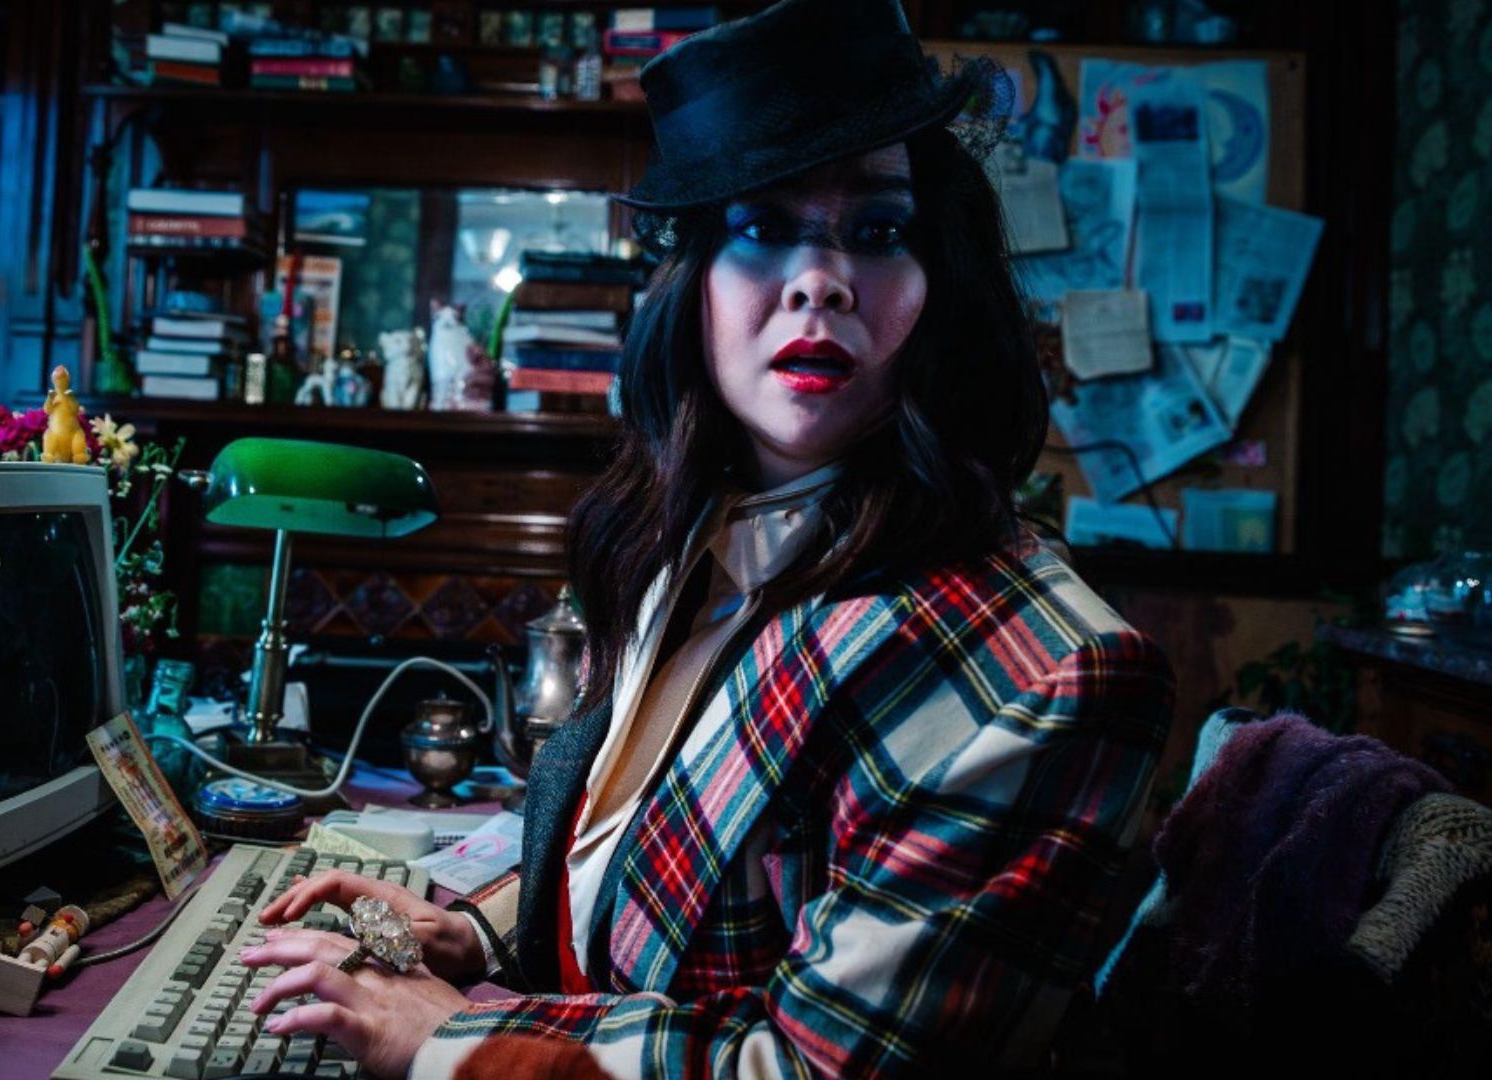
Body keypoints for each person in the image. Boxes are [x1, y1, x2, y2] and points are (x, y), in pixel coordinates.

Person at [239, 1, 1176, 1075]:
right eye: (761, 227)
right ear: (691, 290)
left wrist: (451, 1040)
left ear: (944, 283)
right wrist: (470, 931)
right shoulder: (694, 537)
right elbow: (648, 865)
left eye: (879, 231)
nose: (819, 280)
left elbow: (812, 1065)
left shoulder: (1055, 676)